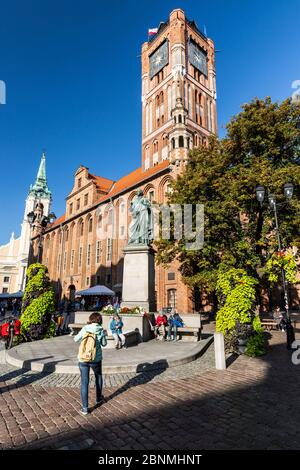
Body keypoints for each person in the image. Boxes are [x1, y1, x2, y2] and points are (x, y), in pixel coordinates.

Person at [74, 312, 107, 415]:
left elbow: (75, 339)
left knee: (84, 382)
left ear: (91, 319)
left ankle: (85, 408)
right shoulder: (100, 330)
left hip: (83, 359)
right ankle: (98, 399)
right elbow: (104, 344)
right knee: (98, 377)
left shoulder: (85, 328)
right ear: (100, 320)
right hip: (96, 359)